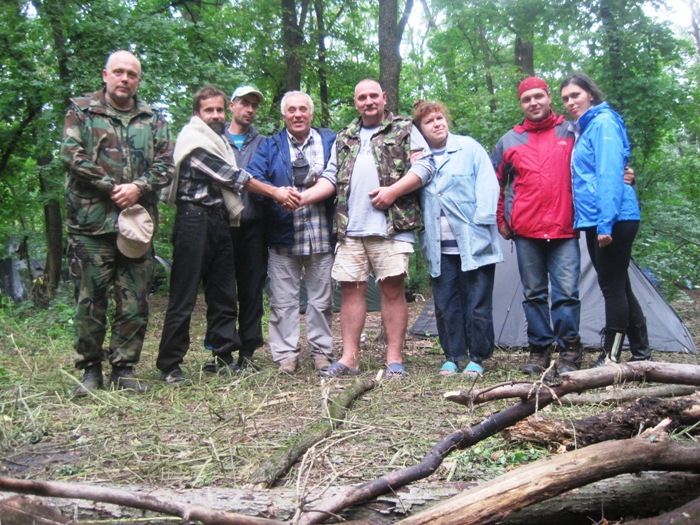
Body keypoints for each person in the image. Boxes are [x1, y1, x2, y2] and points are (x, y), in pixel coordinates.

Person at [157, 87, 300, 385]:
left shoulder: (229, 140)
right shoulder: (195, 142)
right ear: (198, 113)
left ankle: (223, 357)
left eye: (219, 110)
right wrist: (275, 192)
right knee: (183, 295)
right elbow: (231, 176)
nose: (216, 115)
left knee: (223, 294)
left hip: (220, 220)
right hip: (193, 220)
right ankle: (170, 364)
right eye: (209, 110)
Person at [62, 50, 174, 396]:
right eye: (119, 72)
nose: (125, 79)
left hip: (136, 228)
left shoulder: (152, 119)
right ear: (105, 75)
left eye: (132, 74)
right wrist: (111, 187)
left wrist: (138, 187)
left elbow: (166, 165)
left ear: (138, 80)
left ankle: (124, 369)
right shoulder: (82, 111)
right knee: (90, 300)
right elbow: (71, 155)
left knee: (135, 302)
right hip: (90, 226)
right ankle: (90, 370)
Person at [364, 100, 503, 377]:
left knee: (477, 302)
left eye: (440, 118)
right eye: (429, 121)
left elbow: (489, 184)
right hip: (439, 247)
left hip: (474, 243)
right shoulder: (416, 160)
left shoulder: (469, 148)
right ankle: (452, 355)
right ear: (420, 131)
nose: (437, 124)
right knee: (446, 304)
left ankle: (477, 357)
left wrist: (483, 221)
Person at [302, 79, 426, 379]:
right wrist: (302, 198)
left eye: (373, 96)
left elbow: (424, 167)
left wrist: (393, 191)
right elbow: (330, 176)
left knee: (392, 290)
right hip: (349, 227)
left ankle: (394, 359)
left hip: (392, 226)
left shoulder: (406, 128)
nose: (368, 101)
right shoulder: (346, 135)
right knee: (350, 291)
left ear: (384, 98)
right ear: (356, 102)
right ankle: (349, 358)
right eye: (362, 98)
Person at [490, 77, 583, 375]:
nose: (533, 103)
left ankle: (570, 350)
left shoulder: (571, 131)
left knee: (567, 292)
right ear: (521, 104)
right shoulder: (509, 140)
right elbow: (494, 183)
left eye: (538, 96)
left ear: (549, 98)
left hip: (564, 227)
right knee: (534, 294)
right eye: (526, 99)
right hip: (526, 231)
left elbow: (595, 164)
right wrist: (500, 218)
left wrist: (623, 173)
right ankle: (539, 350)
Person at [560, 73, 651, 366]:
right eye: (565, 98)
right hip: (596, 218)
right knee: (619, 284)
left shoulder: (603, 123)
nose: (570, 102)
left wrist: (605, 223)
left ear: (590, 94)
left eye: (575, 95)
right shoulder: (586, 129)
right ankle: (641, 353)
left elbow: (610, 174)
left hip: (613, 218)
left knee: (611, 288)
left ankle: (610, 357)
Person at [245, 91, 336, 374]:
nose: (297, 115)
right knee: (283, 302)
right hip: (283, 235)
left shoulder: (329, 140)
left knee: (321, 300)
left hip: (322, 234)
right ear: (284, 115)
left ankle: (322, 353)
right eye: (292, 110)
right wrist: (276, 196)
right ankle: (286, 355)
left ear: (311, 113)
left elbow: (342, 176)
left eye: (303, 110)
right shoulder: (270, 145)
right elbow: (254, 178)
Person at [202, 85, 267, 372]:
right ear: (232, 105)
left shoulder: (265, 143)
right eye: (244, 103)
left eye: (254, 105)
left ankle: (248, 352)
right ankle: (222, 353)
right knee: (220, 290)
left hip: (254, 226)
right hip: (220, 225)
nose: (250, 109)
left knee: (251, 290)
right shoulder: (213, 139)